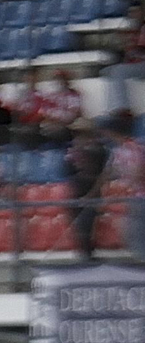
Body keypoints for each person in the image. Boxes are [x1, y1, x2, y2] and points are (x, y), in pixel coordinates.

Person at [101, 111, 145, 259]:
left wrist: (125, 184)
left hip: (140, 196)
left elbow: (137, 173)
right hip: (131, 197)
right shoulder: (118, 150)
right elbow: (111, 172)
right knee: (130, 232)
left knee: (137, 231)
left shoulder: (134, 148)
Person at [66, 119, 110, 259]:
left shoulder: (99, 150)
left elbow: (101, 174)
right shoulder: (73, 149)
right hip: (77, 188)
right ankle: (83, 252)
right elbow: (69, 169)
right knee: (77, 224)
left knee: (87, 223)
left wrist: (92, 194)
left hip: (91, 187)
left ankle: (87, 255)